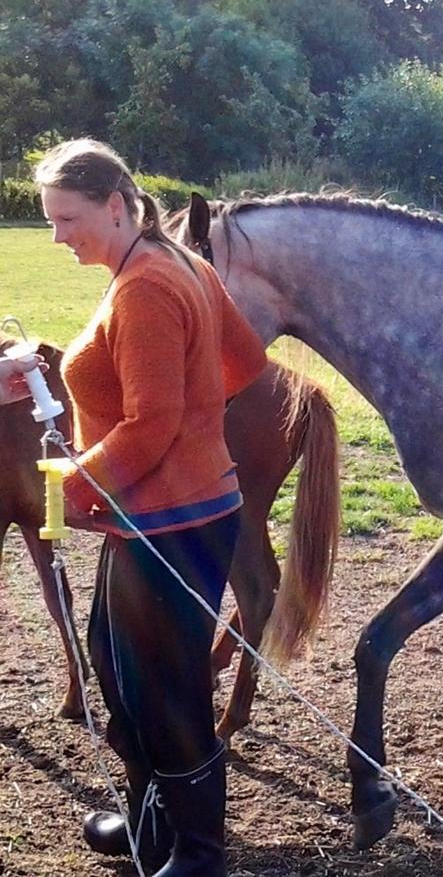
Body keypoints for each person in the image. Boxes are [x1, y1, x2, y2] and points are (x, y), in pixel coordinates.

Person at [35, 139, 267, 876]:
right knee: (118, 665)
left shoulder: (146, 286)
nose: (57, 235)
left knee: (166, 690)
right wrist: (197, 426)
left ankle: (200, 854)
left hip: (174, 523)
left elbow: (150, 424)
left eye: (66, 218)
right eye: (49, 221)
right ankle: (152, 825)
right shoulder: (170, 263)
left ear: (115, 204)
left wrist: (69, 483)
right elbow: (243, 361)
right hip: (158, 516)